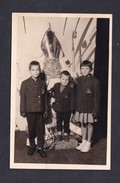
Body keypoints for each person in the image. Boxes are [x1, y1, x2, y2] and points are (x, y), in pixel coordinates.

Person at [20, 61, 48, 157]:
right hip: (30, 110)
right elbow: (22, 98)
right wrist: (22, 110)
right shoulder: (25, 83)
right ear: (30, 70)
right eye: (33, 70)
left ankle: (40, 147)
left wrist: (46, 110)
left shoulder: (43, 83)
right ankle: (32, 145)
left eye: (37, 69)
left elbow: (45, 98)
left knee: (40, 129)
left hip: (40, 110)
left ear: (40, 70)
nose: (36, 72)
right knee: (31, 129)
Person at [75, 60, 100, 152]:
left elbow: (97, 97)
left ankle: (89, 143)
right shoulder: (79, 80)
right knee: (83, 124)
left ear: (91, 69)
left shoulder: (95, 81)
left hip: (90, 108)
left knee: (89, 124)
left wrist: (95, 110)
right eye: (83, 68)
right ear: (80, 70)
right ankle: (84, 141)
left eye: (87, 69)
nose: (84, 70)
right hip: (81, 107)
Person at [49, 70, 76, 142]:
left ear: (69, 80)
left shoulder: (71, 87)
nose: (65, 81)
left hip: (67, 109)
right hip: (58, 108)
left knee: (66, 121)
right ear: (60, 79)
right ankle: (59, 133)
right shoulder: (56, 85)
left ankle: (66, 134)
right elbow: (52, 90)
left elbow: (73, 99)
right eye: (63, 79)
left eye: (67, 79)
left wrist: (72, 109)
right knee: (59, 121)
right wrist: (50, 92)